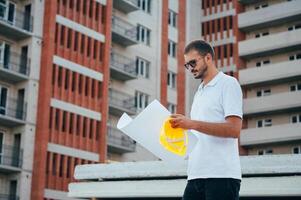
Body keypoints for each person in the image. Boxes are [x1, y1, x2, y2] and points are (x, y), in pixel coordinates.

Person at [169, 40, 242, 200]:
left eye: (193, 62)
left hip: (222, 176)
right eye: (187, 65)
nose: (190, 68)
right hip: (195, 175)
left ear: (208, 58)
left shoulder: (228, 84)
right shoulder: (199, 91)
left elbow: (234, 129)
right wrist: (182, 126)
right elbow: (200, 132)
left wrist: (192, 123)